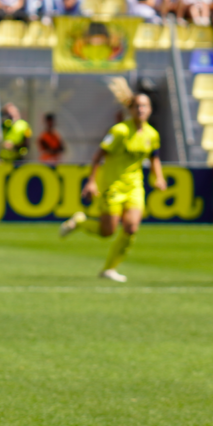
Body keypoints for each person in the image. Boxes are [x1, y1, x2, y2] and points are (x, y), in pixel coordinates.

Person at [59, 90, 166, 283]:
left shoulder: (152, 134)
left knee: (131, 228)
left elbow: (154, 157)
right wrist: (91, 181)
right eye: (137, 106)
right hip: (113, 185)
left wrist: (159, 177)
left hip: (134, 186)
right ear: (130, 109)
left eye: (144, 106)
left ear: (150, 110)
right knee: (108, 231)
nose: (140, 109)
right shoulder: (119, 131)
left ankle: (109, 269)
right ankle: (81, 222)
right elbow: (98, 155)